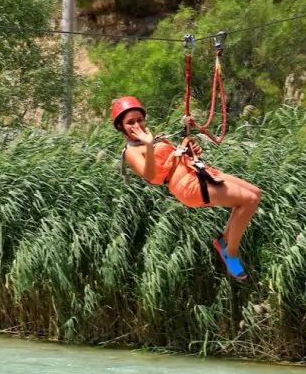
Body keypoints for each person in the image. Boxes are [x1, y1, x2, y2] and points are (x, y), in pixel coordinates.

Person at [112, 95, 261, 280]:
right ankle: (230, 252)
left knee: (255, 193)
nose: (137, 125)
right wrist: (150, 145)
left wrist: (190, 150)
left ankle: (223, 242)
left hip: (196, 170)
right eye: (130, 122)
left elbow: (171, 157)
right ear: (121, 126)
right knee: (249, 201)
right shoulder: (131, 151)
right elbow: (150, 175)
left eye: (140, 120)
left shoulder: (152, 138)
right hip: (186, 184)